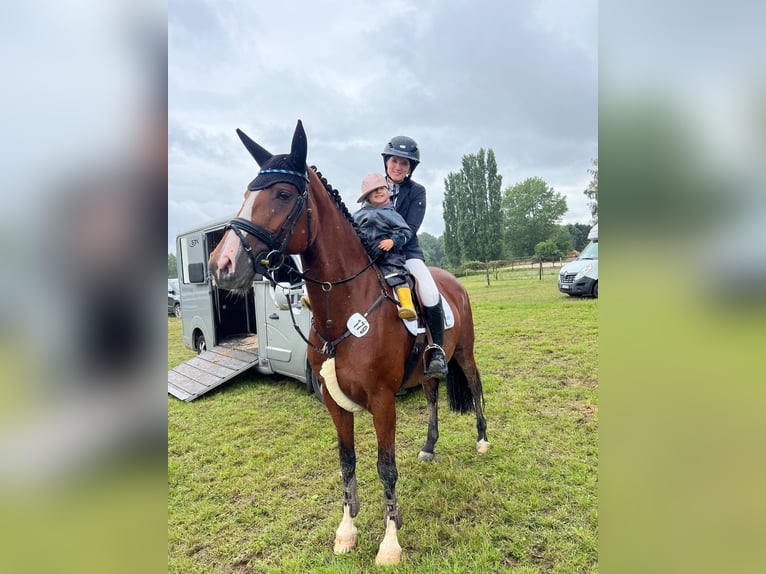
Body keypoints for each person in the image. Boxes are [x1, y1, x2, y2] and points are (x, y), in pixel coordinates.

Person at [381, 135, 448, 376]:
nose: (398, 167)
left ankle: (437, 350)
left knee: (429, 292)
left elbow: (410, 228)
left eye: (404, 163)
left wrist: (392, 242)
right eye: (394, 161)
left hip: (407, 252)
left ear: (411, 168)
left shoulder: (417, 191)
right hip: (375, 253)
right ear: (387, 161)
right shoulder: (375, 186)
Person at [353, 173, 416, 321]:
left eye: (382, 188)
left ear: (388, 191)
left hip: (388, 255)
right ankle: (320, 297)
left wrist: (393, 241)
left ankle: (407, 305)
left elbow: (405, 231)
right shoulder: (357, 215)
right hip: (365, 255)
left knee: (396, 273)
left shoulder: (391, 214)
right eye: (374, 190)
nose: (379, 192)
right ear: (367, 196)